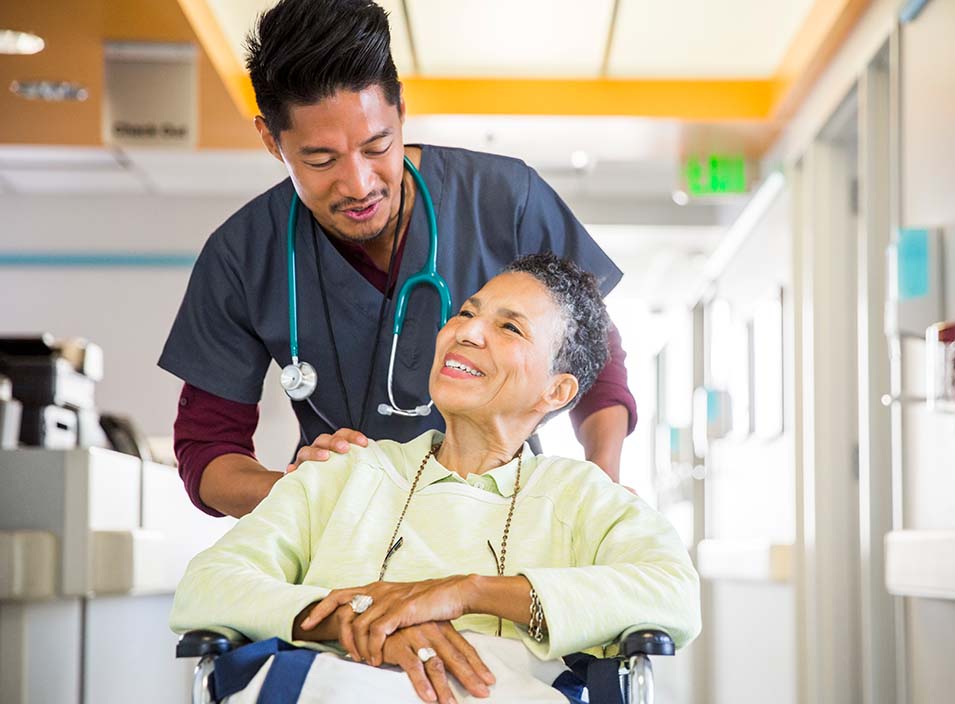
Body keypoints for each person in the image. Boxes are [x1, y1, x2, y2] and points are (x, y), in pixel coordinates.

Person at [158, 0, 637, 520]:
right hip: (341, 540)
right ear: (272, 141)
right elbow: (206, 450)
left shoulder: (505, 201)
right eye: (321, 160)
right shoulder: (242, 255)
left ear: (401, 111)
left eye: (377, 146)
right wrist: (300, 495)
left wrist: (603, 477)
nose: (359, 184)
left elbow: (593, 348)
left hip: (501, 522)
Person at [170, 255, 700, 703]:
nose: (465, 331)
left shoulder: (580, 496)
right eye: (467, 313)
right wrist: (358, 622)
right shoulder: (345, 472)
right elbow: (207, 584)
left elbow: (673, 592)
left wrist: (465, 593)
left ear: (557, 391)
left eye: (509, 327)